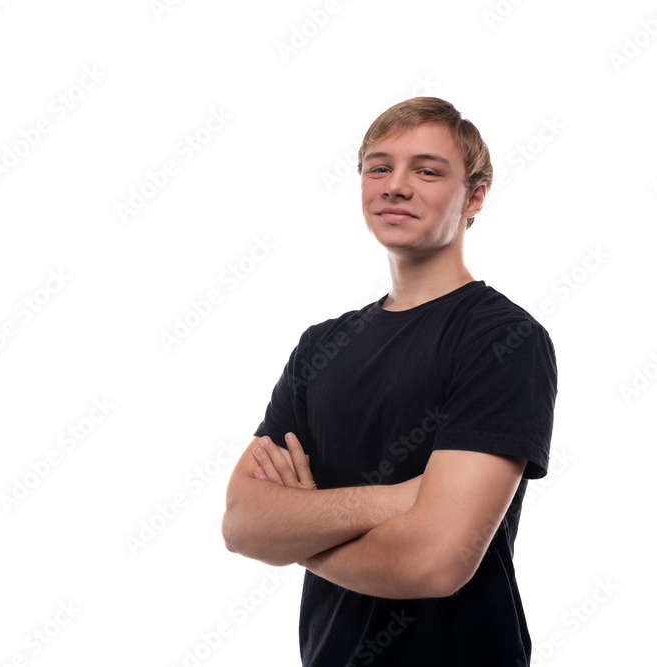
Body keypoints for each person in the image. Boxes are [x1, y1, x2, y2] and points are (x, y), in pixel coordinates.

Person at [222, 96, 558, 666]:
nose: (395, 185)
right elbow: (243, 524)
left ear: (474, 196)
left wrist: (298, 537)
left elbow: (435, 562)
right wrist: (403, 500)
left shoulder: (504, 340)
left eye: (426, 170)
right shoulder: (321, 346)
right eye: (379, 167)